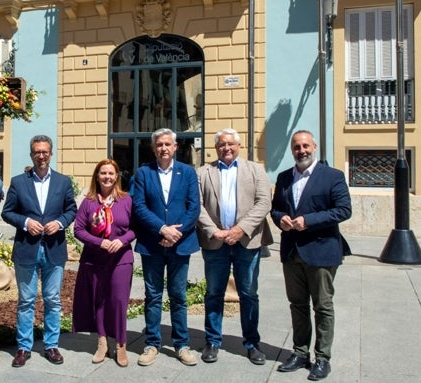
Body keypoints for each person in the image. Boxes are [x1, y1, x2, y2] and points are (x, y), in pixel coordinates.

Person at [271, 130, 352, 381]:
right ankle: (300, 352)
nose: (301, 150)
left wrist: (309, 220)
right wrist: (280, 219)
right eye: (296, 147)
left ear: (314, 147)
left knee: (323, 306)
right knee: (297, 305)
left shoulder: (332, 176)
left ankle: (323, 358)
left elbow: (343, 210)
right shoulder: (284, 177)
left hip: (321, 250)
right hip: (291, 252)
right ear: (292, 150)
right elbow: (275, 209)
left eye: (305, 145)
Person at [196, 128, 272, 365]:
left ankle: (252, 343)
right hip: (215, 241)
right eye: (221, 144)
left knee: (248, 294)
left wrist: (240, 229)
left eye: (230, 144)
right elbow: (196, 205)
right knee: (214, 293)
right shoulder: (203, 172)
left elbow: (264, 202)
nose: (226, 148)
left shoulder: (255, 169)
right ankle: (212, 341)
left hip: (246, 242)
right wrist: (214, 231)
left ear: (239, 146)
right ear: (216, 147)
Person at [1, 135, 77, 368]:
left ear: (51, 154)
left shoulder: (63, 182)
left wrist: (61, 223)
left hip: (54, 250)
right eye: (37, 152)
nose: (41, 156)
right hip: (27, 249)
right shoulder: (18, 182)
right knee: (26, 300)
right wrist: (25, 222)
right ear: (31, 154)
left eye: (45, 152)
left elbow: (71, 209)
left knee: (53, 299)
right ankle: (23, 348)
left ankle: (51, 345)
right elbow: (7, 212)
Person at [132, 128, 200, 367]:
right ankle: (152, 343)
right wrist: (162, 229)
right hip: (152, 244)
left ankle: (182, 344)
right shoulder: (143, 173)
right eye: (159, 144)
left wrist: (176, 233)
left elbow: (194, 207)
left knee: (179, 296)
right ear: (154, 148)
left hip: (180, 245)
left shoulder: (188, 172)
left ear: (175, 147)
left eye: (167, 144)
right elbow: (138, 207)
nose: (163, 148)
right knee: (152, 295)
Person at [72, 159, 135, 367]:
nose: (107, 177)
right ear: (97, 177)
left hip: (121, 259)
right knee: (99, 301)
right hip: (94, 259)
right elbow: (78, 230)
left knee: (118, 301)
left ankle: (121, 344)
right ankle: (101, 342)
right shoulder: (89, 202)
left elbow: (136, 228)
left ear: (117, 176)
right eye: (103, 173)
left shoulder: (126, 201)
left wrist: (122, 240)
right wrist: (100, 243)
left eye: (111, 173)